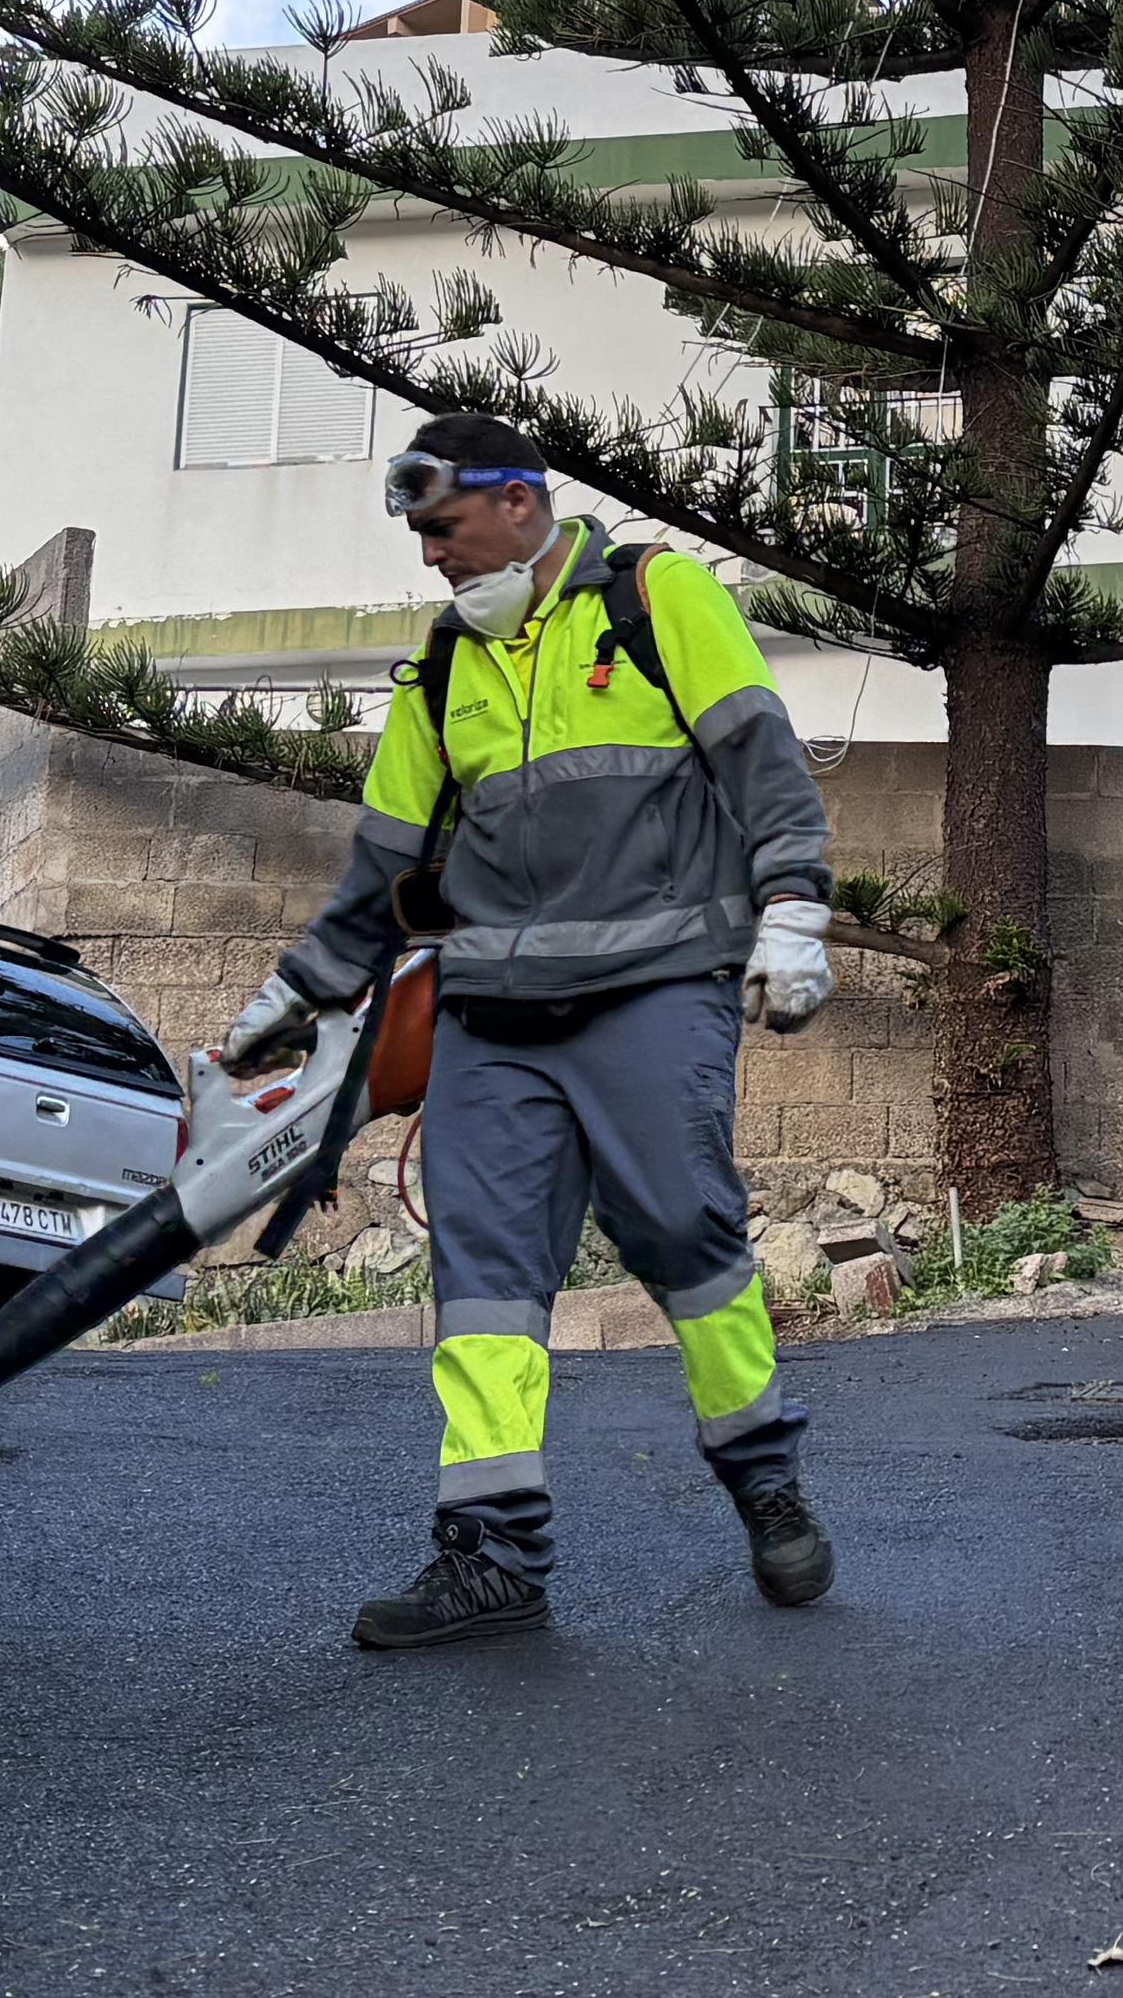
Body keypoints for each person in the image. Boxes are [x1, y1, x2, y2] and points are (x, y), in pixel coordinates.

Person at [225, 412, 844, 1649]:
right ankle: (494, 1558)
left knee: (687, 1238)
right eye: (419, 537)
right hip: (495, 1019)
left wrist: (794, 910)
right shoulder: (446, 666)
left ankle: (765, 1481)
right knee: (487, 1287)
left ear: (520, 503)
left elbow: (764, 765)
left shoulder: (659, 602)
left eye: (444, 529)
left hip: (657, 988)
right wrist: (303, 987)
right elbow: (390, 866)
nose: (431, 558)